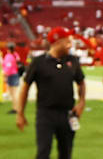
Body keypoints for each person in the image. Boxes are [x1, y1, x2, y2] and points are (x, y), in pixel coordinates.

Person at [16, 27, 86, 159]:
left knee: (66, 153)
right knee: (43, 152)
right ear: (57, 42)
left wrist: (81, 102)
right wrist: (20, 113)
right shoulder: (38, 62)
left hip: (68, 114)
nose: (70, 46)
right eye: (67, 42)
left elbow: (81, 82)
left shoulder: (73, 61)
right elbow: (25, 88)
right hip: (45, 114)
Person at [3, 42, 21, 113]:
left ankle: (15, 108)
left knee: (13, 93)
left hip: (11, 75)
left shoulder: (9, 56)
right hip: (15, 74)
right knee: (14, 92)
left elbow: (8, 67)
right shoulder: (15, 55)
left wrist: (5, 76)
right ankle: (16, 107)